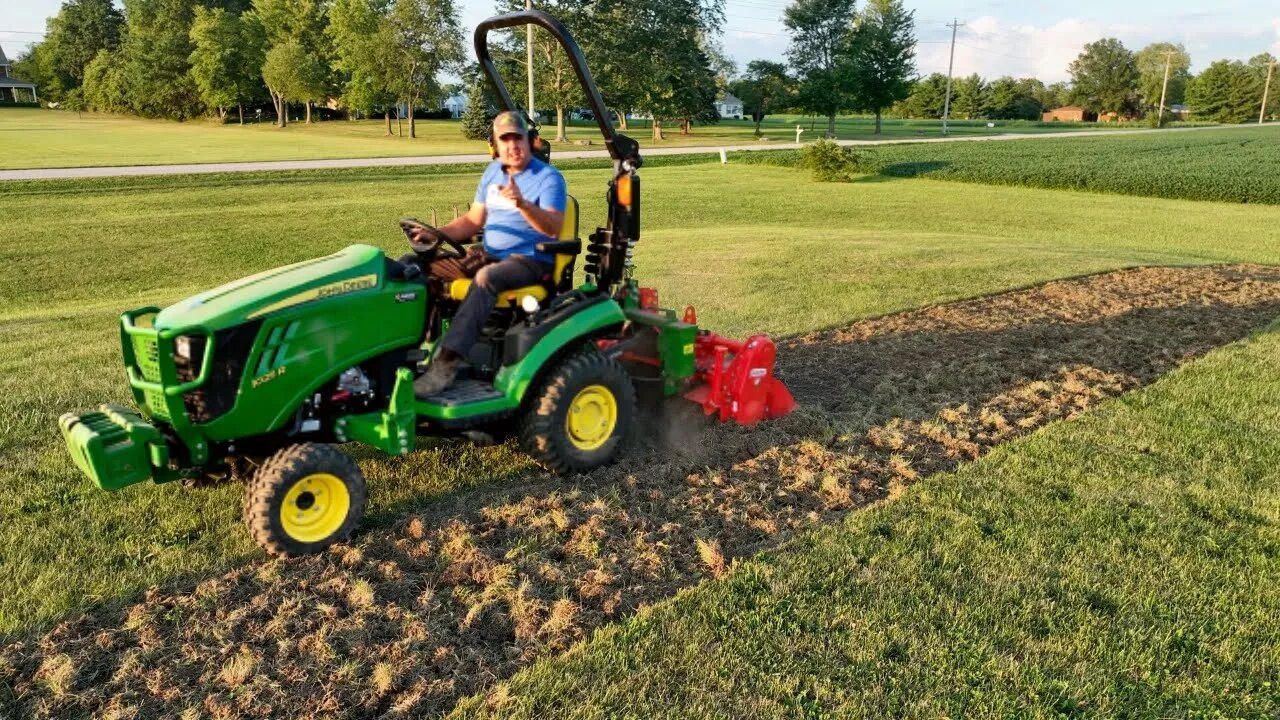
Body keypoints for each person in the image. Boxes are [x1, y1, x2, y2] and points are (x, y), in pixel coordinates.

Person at [412, 111, 567, 398]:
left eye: (517, 138)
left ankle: (445, 367)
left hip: (530, 260)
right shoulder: (493, 173)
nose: (512, 146)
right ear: (496, 144)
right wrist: (436, 233)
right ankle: (414, 354)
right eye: (505, 140)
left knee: (486, 278)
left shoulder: (549, 179)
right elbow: (472, 221)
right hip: (488, 252)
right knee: (415, 269)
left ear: (529, 140)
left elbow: (553, 227)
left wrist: (522, 204)